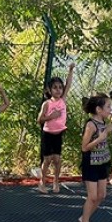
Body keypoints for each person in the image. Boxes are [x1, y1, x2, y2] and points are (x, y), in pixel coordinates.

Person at [79, 94, 112, 222]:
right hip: (91, 163)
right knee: (92, 197)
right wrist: (99, 139)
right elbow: (84, 147)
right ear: (99, 109)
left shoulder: (102, 122)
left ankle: (84, 218)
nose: (110, 109)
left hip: (102, 162)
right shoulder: (90, 125)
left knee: (102, 195)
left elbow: (106, 130)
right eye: (108, 106)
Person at [37, 62, 76, 193]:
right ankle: (42, 182)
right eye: (55, 87)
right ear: (49, 90)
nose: (58, 90)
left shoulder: (63, 100)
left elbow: (69, 84)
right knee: (47, 160)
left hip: (58, 134)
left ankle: (56, 181)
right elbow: (39, 120)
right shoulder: (47, 104)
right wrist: (51, 116)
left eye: (60, 87)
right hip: (48, 134)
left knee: (58, 160)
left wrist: (70, 70)